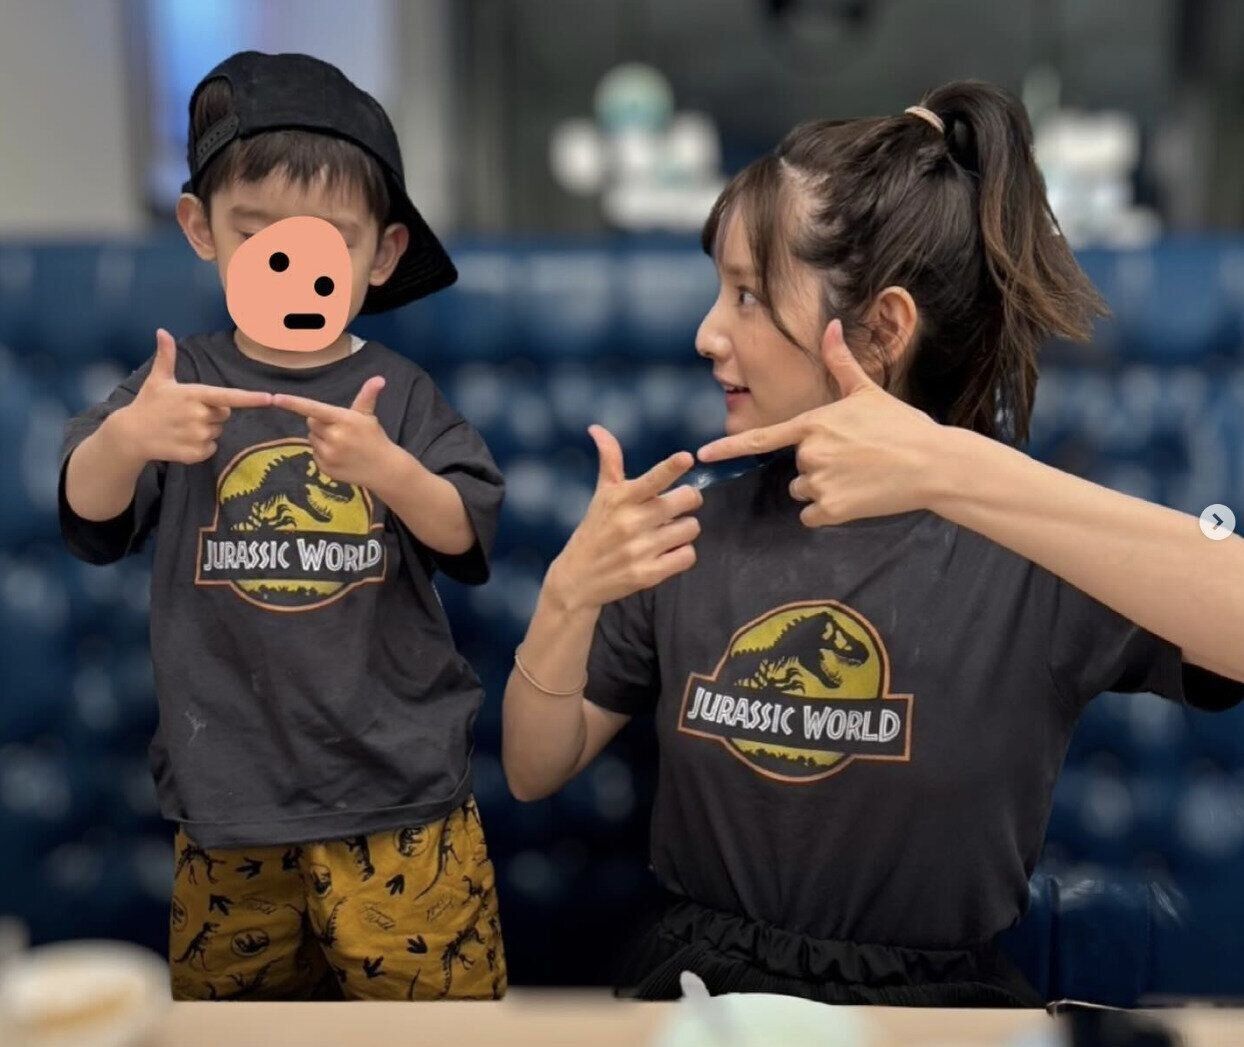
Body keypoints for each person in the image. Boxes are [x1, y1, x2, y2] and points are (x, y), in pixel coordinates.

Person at [501, 79, 1244, 1006]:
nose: (706, 333)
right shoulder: (692, 527)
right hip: (703, 999)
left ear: (884, 329)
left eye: (747, 295)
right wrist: (568, 594)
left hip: (937, 1010)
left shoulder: (1033, 549)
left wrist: (950, 468)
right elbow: (533, 765)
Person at [58, 51, 506, 1002]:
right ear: (201, 229)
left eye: (328, 240)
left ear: (380, 253)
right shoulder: (178, 383)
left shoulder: (400, 391)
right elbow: (86, 512)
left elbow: (467, 531)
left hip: (400, 799)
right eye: (256, 232)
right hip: (228, 805)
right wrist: (129, 439)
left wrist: (390, 469)